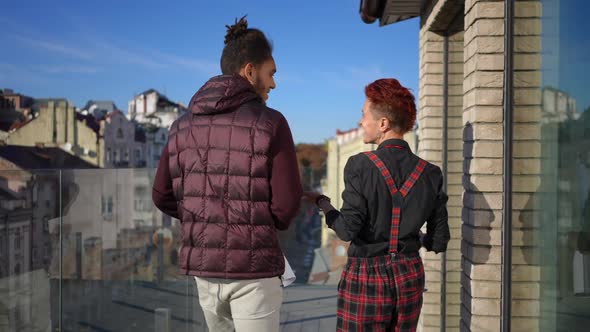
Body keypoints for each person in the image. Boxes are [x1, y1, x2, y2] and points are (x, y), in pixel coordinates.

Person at [152, 16, 302, 332]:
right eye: (270, 73)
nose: (274, 83)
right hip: (254, 272)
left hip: (204, 270)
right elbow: (286, 206)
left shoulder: (180, 126)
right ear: (250, 70)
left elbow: (162, 195)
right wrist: (254, 224)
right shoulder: (271, 123)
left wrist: (204, 218)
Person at [304, 78, 450, 331]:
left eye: (363, 115)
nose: (361, 121)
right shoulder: (431, 173)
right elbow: (439, 241)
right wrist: (412, 236)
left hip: (367, 277)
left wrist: (323, 203)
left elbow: (348, 230)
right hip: (409, 275)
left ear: (383, 124)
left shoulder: (360, 165)